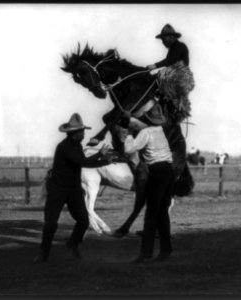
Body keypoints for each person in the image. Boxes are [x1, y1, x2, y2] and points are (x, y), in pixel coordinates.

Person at [34, 113, 115, 263]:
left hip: (73, 189)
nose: (84, 134)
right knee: (51, 223)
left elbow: (83, 161)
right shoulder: (64, 147)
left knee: (83, 220)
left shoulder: (76, 145)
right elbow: (83, 162)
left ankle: (72, 243)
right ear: (74, 134)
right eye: (82, 132)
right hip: (57, 190)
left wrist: (101, 157)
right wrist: (102, 158)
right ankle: (43, 253)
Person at [120, 103, 175, 263]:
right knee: (162, 213)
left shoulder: (145, 132)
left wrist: (128, 132)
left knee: (151, 214)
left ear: (147, 119)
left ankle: (145, 253)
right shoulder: (160, 130)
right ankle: (165, 250)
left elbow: (129, 150)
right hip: (168, 172)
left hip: (157, 172)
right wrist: (130, 119)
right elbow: (144, 126)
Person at [147, 24, 195, 121]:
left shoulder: (180, 46)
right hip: (174, 76)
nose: (163, 42)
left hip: (179, 77)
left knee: (157, 79)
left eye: (163, 39)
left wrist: (154, 65)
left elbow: (170, 60)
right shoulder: (173, 48)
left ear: (171, 37)